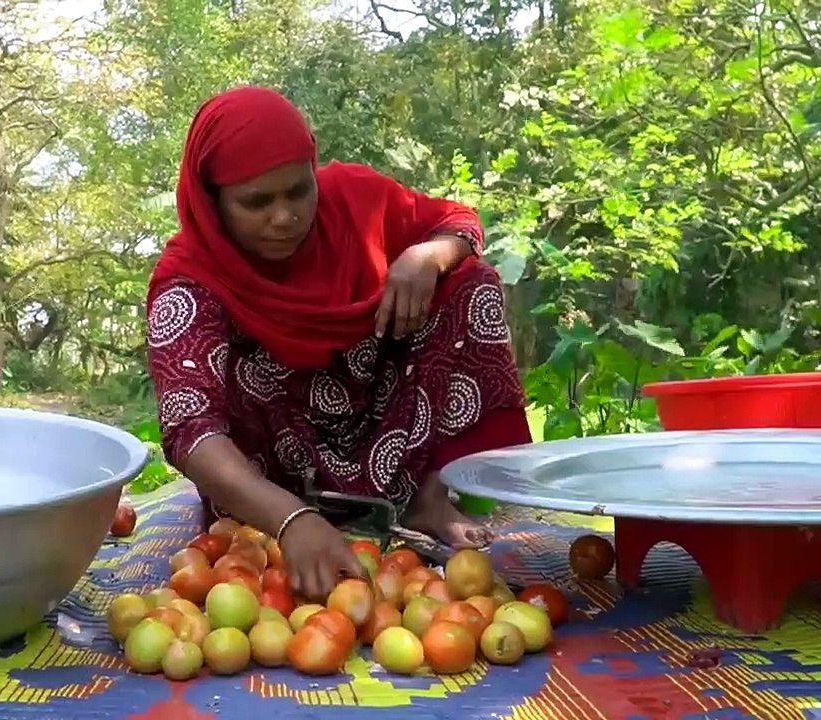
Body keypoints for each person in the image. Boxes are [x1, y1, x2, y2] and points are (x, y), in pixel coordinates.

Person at [145, 86, 533, 601]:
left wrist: (427, 256)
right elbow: (190, 430)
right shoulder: (187, 281)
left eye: (298, 192)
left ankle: (428, 498)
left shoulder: (355, 200)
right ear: (212, 202)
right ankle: (292, 520)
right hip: (275, 471)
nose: (284, 217)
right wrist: (289, 519)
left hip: (384, 420)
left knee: (471, 280)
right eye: (256, 202)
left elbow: (458, 223)